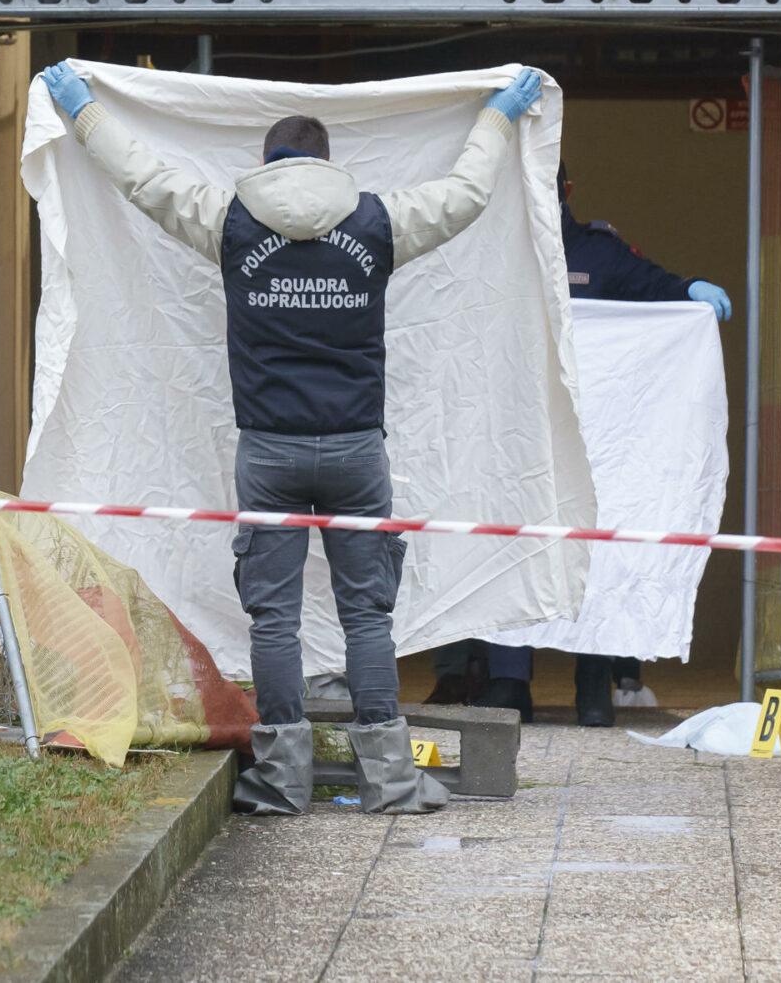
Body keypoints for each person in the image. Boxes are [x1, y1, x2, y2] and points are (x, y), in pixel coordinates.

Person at [38, 57, 544, 816]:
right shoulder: (376, 222)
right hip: (355, 451)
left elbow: (141, 176)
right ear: (327, 164)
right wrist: (498, 115)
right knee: (367, 614)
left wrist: (83, 112)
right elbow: (468, 194)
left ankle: (280, 779)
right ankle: (390, 778)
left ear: (267, 165)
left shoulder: (230, 220)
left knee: (273, 617)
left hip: (268, 451)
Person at [430, 161, 731, 727]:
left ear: (568, 189)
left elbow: (654, 290)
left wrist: (688, 292)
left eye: (551, 184)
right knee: (512, 545)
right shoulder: (493, 252)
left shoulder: (599, 252)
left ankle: (592, 680)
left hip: (598, 441)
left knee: (596, 545)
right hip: (515, 435)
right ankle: (508, 682)